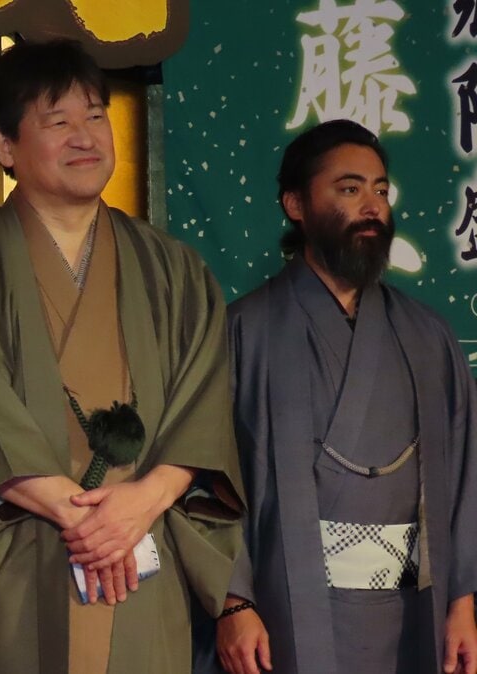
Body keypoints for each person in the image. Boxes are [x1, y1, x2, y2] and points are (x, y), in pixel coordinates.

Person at [0, 39, 244, 674]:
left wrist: (139, 504)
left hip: (144, 549)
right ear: (6, 147)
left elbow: (205, 409)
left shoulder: (174, 268)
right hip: (20, 552)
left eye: (94, 115)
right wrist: (86, 522)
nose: (85, 137)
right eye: (57, 121)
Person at [217, 119, 477, 674]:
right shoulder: (244, 330)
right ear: (295, 204)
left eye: (380, 189)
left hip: (413, 613)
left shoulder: (428, 335)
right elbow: (207, 472)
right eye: (349, 188)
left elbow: (464, 473)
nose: (372, 206)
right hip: (286, 606)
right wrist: (233, 601)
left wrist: (462, 601)